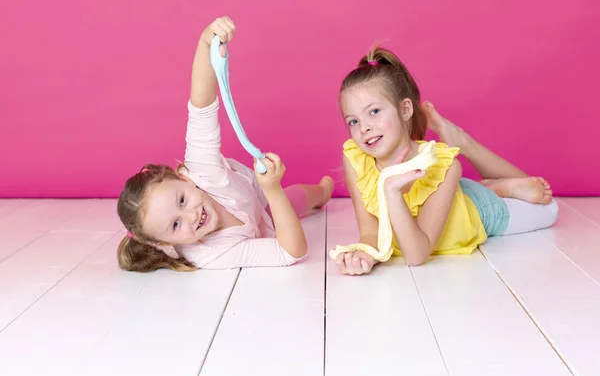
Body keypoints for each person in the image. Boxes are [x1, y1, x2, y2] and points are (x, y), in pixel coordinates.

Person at [117, 16, 333, 272]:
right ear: (166, 243)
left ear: (185, 179)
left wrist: (206, 40)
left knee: (294, 198)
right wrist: (273, 190)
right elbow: (291, 251)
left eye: (183, 200)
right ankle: (297, 195)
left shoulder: (202, 170)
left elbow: (201, 105)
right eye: (176, 225)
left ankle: (323, 191)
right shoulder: (211, 255)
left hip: (247, 188)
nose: (191, 216)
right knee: (280, 207)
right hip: (256, 219)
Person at [335, 45, 558, 275]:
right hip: (450, 193)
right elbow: (371, 232)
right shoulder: (356, 158)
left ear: (405, 109)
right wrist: (366, 254)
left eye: (374, 112)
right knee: (464, 185)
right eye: (353, 121)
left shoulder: (445, 166)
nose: (364, 127)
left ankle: (470, 152)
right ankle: (492, 184)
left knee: (550, 207)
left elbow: (415, 255)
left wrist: (391, 191)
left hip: (477, 209)